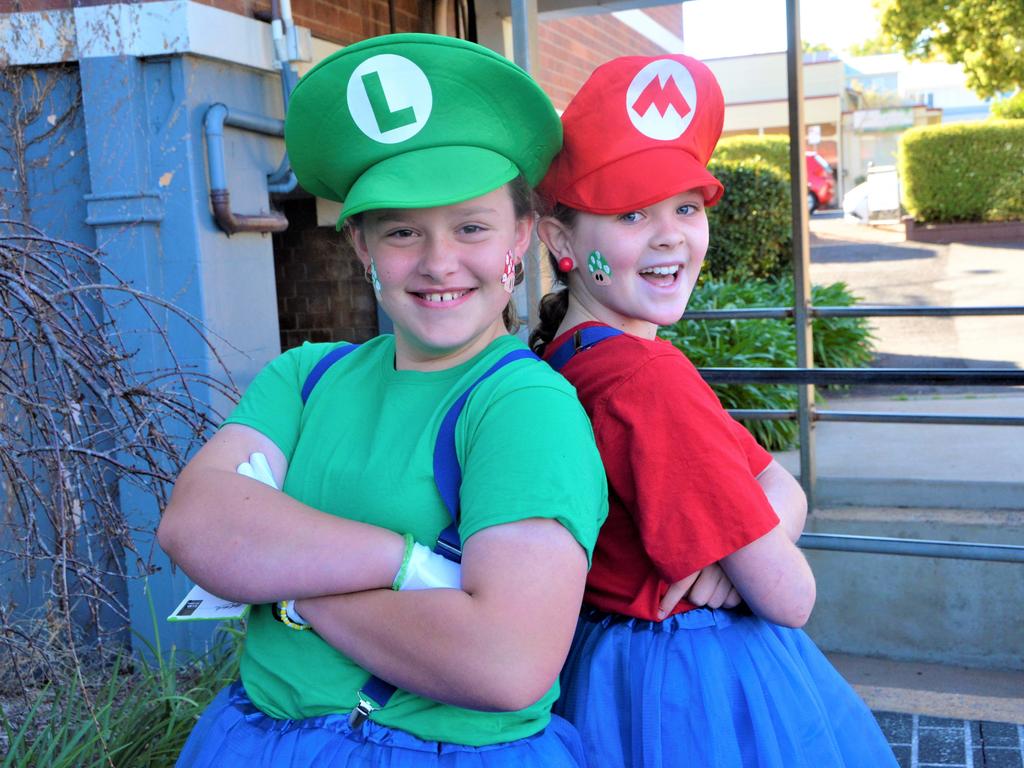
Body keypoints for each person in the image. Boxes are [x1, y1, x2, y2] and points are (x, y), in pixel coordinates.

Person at [158, 33, 607, 767]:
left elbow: (505, 662)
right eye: (402, 230)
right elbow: (195, 526)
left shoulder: (523, 406)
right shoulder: (306, 376)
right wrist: (403, 564)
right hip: (252, 737)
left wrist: (288, 586)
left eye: (470, 225)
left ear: (520, 238)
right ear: (363, 247)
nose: (437, 262)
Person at [529, 54, 898, 768]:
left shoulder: (568, 359)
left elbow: (778, 488)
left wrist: (731, 558)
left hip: (607, 673)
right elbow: (791, 595)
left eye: (686, 208)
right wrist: (750, 557)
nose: (670, 235)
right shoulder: (646, 375)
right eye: (632, 213)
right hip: (696, 690)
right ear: (562, 241)